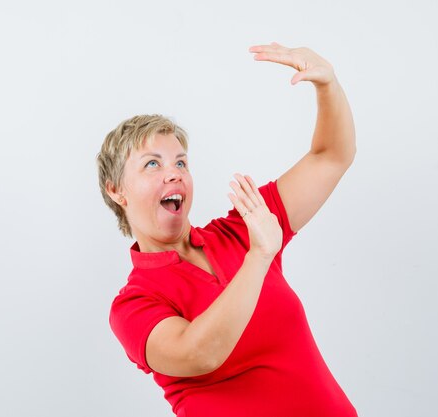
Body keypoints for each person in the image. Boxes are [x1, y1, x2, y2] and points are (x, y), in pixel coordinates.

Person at [96, 42, 357, 417]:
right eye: (152, 164)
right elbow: (199, 353)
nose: (174, 172)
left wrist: (328, 84)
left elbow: (331, 156)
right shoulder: (134, 303)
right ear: (117, 190)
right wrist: (259, 257)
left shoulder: (241, 230)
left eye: (181, 162)